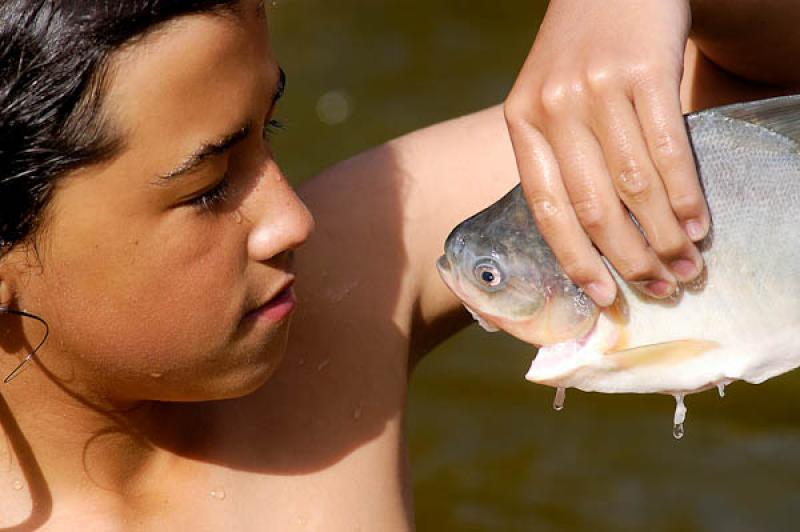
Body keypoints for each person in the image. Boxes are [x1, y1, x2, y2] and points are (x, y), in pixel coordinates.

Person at [0, 0, 797, 529]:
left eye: (266, 130)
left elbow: (755, 97)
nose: (294, 218)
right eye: (209, 188)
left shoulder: (348, 279)